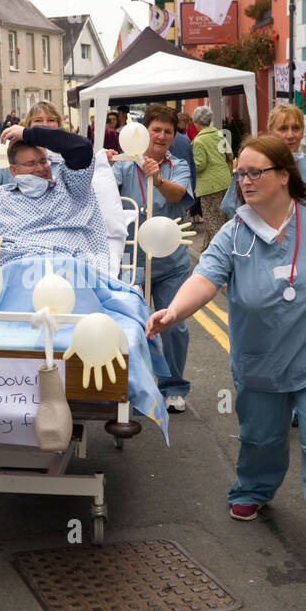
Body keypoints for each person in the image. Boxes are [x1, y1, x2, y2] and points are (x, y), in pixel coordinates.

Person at [146, 135, 306, 572]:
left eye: (254, 172)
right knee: (262, 437)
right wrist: (173, 311)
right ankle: (254, 488)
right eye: (240, 173)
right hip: (260, 359)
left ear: (284, 176)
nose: (244, 180)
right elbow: (205, 278)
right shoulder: (234, 231)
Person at [115, 104, 194, 412]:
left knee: (174, 325)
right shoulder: (124, 163)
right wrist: (106, 164)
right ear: (143, 130)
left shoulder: (178, 165)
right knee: (128, 325)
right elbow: (107, 194)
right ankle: (131, 386)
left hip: (170, 262)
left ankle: (174, 387)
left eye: (168, 132)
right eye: (156, 129)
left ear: (174, 136)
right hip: (130, 259)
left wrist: (157, 178)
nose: (161, 136)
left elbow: (178, 195)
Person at [0, 123, 108, 267]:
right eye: (31, 163)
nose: (40, 168)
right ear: (13, 170)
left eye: (43, 161)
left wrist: (30, 134)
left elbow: (81, 149)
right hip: (17, 274)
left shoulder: (70, 188)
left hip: (68, 270)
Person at [221, 103, 306, 218]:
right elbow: (232, 207)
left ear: (302, 132)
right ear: (270, 132)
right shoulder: (252, 166)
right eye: (283, 129)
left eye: (296, 128)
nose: (290, 135)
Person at [190, 106, 233, 249]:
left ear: (196, 122)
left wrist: (190, 163)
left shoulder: (199, 141)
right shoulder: (220, 135)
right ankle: (206, 253)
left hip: (209, 186)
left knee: (213, 222)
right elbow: (229, 156)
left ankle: (220, 253)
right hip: (225, 182)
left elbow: (200, 165)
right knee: (221, 219)